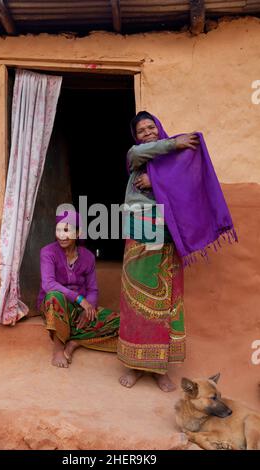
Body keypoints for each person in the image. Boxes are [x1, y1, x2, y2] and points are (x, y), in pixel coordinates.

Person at [118, 111, 199, 391]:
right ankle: (133, 364)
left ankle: (160, 369)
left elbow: (188, 187)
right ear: (136, 137)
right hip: (139, 231)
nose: (148, 133)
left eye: (151, 127)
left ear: (158, 127)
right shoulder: (136, 155)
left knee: (167, 302)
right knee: (135, 299)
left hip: (167, 235)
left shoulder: (173, 164)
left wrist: (159, 183)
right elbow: (142, 152)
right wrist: (175, 143)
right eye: (141, 131)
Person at [38, 209, 120, 368]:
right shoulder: (47, 252)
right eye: (58, 230)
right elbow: (48, 284)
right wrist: (80, 299)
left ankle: (76, 341)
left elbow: (93, 289)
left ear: (78, 233)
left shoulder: (88, 257)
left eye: (67, 230)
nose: (61, 235)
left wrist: (87, 308)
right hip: (54, 306)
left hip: (79, 309)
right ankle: (58, 349)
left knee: (120, 322)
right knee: (54, 296)